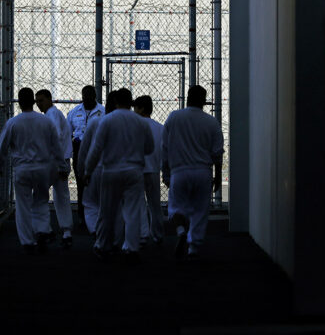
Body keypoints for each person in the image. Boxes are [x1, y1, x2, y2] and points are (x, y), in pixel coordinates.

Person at [84, 88, 154, 262]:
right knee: (132, 210)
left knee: (106, 211)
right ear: (130, 102)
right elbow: (150, 147)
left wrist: (88, 170)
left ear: (115, 102)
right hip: (134, 170)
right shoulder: (141, 122)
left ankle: (102, 244)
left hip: (111, 170)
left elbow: (96, 149)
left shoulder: (106, 120)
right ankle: (131, 247)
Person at [0, 88, 68, 252]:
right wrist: (62, 166)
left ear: (19, 103)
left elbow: (2, 147)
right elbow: (56, 147)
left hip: (22, 168)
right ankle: (42, 229)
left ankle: (28, 240)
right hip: (43, 167)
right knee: (41, 200)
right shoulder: (45, 122)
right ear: (33, 102)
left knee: (23, 205)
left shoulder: (13, 122)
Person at [162, 85, 224, 260]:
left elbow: (164, 147)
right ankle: (193, 247)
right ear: (204, 101)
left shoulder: (174, 117)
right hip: (203, 171)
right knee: (200, 210)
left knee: (175, 208)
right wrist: (217, 175)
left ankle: (181, 230)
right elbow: (217, 152)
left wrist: (165, 170)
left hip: (179, 171)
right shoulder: (211, 121)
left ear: (187, 97)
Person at [35, 89, 73, 248]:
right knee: (61, 196)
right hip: (60, 160)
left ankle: (45, 229)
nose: (38, 104)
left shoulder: (51, 115)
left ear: (50, 100)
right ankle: (66, 231)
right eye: (37, 101)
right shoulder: (53, 114)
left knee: (40, 195)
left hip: (54, 161)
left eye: (41, 100)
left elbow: (55, 137)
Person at [77, 91, 117, 238]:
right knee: (116, 206)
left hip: (98, 169)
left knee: (91, 202)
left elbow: (86, 149)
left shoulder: (97, 122)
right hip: (121, 169)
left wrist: (83, 171)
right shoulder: (132, 122)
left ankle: (95, 230)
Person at [67, 85, 105, 226]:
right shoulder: (74, 112)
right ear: (82, 96)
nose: (87, 98)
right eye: (85, 95)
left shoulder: (103, 111)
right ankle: (82, 215)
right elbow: (68, 132)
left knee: (97, 181)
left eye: (90, 95)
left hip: (96, 150)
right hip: (79, 148)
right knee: (81, 182)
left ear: (95, 96)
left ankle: (98, 215)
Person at [133, 95, 165, 246]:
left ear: (142, 108)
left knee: (138, 203)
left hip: (137, 169)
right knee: (154, 204)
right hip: (153, 170)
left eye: (136, 107)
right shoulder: (160, 127)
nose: (134, 110)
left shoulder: (134, 125)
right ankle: (157, 234)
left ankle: (142, 234)